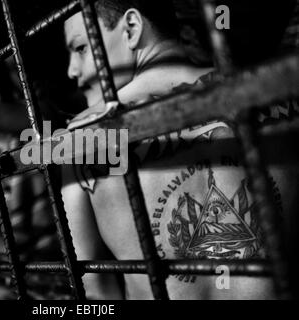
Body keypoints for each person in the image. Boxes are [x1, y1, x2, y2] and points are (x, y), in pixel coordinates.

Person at [61, 0, 298, 299]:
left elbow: (95, 291)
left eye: (81, 48)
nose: (71, 70)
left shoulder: (83, 136)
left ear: (132, 28)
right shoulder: (272, 91)